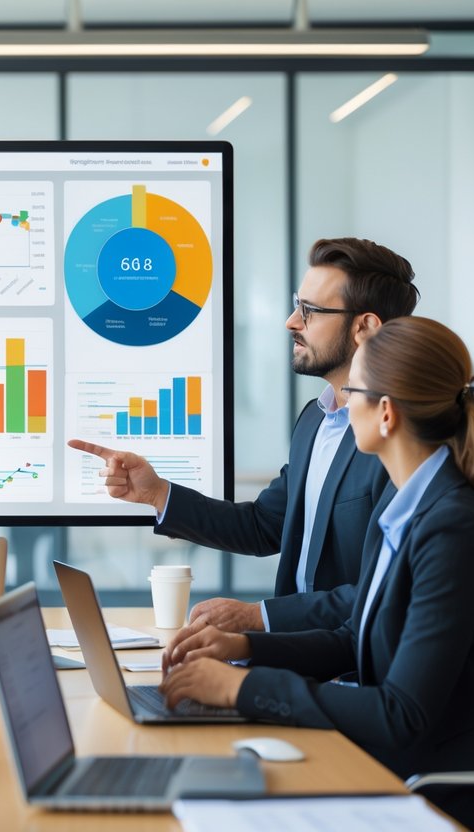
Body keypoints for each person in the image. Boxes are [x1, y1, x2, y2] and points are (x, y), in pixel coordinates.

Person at [159, 317, 474, 832]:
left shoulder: (452, 525)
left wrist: (238, 690)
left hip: (446, 785)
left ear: (387, 414)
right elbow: (356, 637)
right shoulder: (405, 502)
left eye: (353, 391)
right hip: (399, 762)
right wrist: (241, 648)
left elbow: (401, 713)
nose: (343, 404)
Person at [70, 238, 418, 633]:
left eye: (310, 311)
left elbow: (383, 593)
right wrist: (157, 493)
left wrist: (258, 618)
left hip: (352, 671)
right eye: (295, 303)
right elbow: (263, 525)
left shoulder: (400, 440)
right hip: (297, 657)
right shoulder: (315, 420)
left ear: (365, 327)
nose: (291, 321)